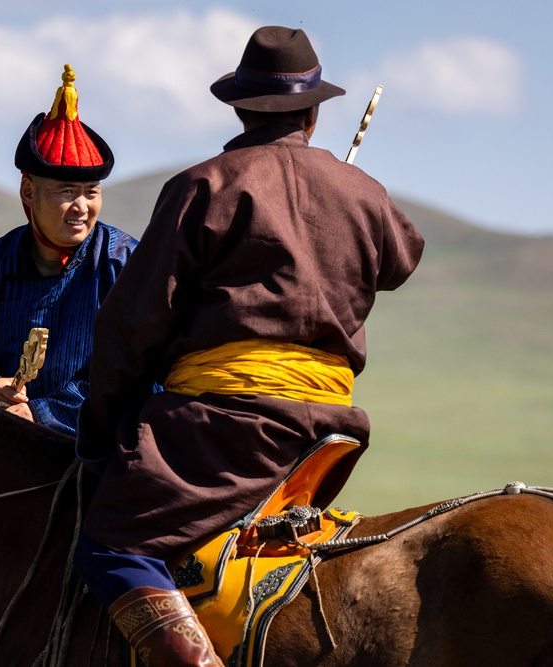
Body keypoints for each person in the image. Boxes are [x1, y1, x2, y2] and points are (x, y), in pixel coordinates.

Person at [72, 26, 425, 666]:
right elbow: (401, 258)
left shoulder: (203, 186)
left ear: (239, 106)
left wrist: (100, 440)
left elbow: (130, 328)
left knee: (108, 546)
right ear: (314, 112)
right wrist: (340, 201)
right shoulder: (362, 190)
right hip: (328, 434)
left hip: (221, 432)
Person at [0, 65, 137, 437]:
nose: (82, 206)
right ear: (28, 192)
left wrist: (43, 413)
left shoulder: (123, 264)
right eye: (67, 191)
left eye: (92, 191)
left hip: (99, 450)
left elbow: (138, 368)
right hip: (4, 443)